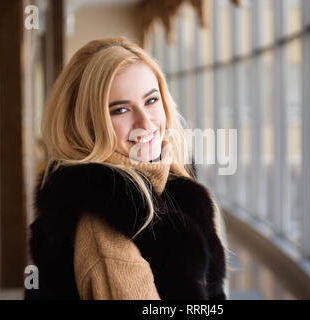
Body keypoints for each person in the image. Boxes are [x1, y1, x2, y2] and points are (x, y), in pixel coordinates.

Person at [25, 37, 230, 300]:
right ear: (87, 124)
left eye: (151, 100)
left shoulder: (172, 186)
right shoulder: (105, 224)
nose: (145, 122)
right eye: (120, 110)